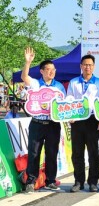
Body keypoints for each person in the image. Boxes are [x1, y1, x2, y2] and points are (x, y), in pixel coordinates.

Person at [20, 47, 66, 193]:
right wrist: (28, 62)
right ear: (41, 71)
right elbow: (24, 77)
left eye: (53, 69)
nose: (51, 72)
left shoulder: (59, 86)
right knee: (34, 153)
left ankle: (50, 180)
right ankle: (31, 181)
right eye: (48, 69)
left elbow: (64, 106)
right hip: (37, 123)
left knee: (52, 153)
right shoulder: (35, 84)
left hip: (53, 124)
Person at [67, 54, 99, 193]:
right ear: (81, 66)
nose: (87, 67)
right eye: (85, 65)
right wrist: (70, 115)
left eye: (90, 65)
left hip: (92, 120)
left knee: (93, 152)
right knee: (77, 152)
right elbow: (69, 99)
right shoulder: (73, 82)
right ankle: (78, 181)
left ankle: (93, 182)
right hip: (77, 120)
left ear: (93, 67)